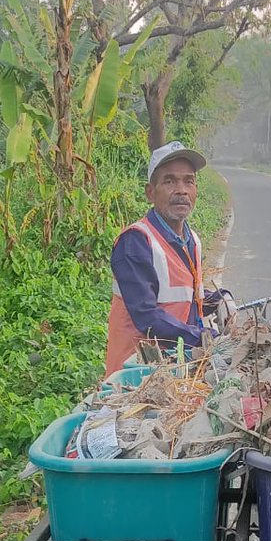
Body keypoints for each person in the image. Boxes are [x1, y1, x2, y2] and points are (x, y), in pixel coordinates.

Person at [105, 140, 235, 375]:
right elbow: (147, 316)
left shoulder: (191, 239)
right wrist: (205, 337)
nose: (181, 190)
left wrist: (219, 300)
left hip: (174, 371)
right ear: (150, 192)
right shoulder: (135, 243)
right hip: (133, 378)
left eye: (188, 181)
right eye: (169, 181)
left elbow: (186, 298)